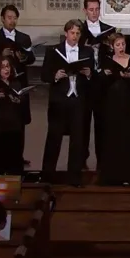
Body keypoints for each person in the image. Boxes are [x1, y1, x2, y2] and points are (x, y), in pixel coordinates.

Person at [41, 19, 94, 187]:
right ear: (66, 33)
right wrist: (55, 75)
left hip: (78, 101)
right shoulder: (54, 51)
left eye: (78, 33)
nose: (75, 36)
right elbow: (44, 75)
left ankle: (74, 178)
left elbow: (92, 77)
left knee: (77, 142)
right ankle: (47, 176)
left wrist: (88, 73)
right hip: (59, 101)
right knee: (54, 139)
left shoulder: (87, 52)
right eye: (72, 33)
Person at [0, 4, 36, 167]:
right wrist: (1, 56)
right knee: (2, 120)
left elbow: (31, 58)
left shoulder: (23, 38)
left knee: (19, 120)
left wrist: (22, 57)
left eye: (14, 18)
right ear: (2, 18)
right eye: (9, 18)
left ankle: (18, 156)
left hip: (18, 82)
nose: (12, 21)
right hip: (0, 84)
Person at [98, 33, 130, 186]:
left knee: (127, 135)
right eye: (117, 45)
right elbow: (101, 83)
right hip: (111, 102)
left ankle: (128, 175)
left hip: (127, 101)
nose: (121, 48)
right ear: (112, 46)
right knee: (112, 136)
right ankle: (111, 175)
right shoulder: (107, 61)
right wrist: (107, 74)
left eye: (123, 44)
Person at [79, 0, 115, 170]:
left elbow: (114, 55)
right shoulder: (78, 30)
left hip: (102, 83)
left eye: (96, 9)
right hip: (84, 82)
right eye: (91, 9)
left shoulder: (109, 31)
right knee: (83, 123)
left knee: (103, 123)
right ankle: (82, 158)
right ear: (85, 10)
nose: (94, 13)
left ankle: (103, 159)